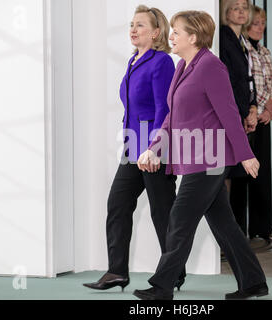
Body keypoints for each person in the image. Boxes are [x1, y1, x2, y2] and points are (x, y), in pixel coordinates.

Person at [133, 10, 268, 300]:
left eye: (177, 32)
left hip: (209, 159)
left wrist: (245, 154)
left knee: (180, 220)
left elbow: (229, 114)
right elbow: (171, 116)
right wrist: (154, 147)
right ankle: (254, 282)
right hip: (194, 158)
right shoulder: (183, 66)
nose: (172, 36)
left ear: (193, 37)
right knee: (224, 224)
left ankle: (162, 286)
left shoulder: (211, 67)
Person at [83, 5, 185, 292]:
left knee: (162, 212)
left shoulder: (162, 61)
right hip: (132, 149)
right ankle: (116, 272)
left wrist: (155, 148)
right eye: (131, 24)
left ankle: (173, 271)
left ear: (156, 32)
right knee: (117, 205)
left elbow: (164, 109)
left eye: (140, 25)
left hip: (154, 150)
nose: (133, 29)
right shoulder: (133, 62)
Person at [239, 5, 272, 242]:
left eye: (263, 23)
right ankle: (239, 231)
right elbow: (246, 85)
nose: (260, 28)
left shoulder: (265, 51)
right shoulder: (241, 48)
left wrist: (269, 109)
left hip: (263, 119)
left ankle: (262, 229)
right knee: (242, 175)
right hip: (247, 119)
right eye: (256, 23)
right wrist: (253, 111)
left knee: (262, 175)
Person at [219, 0, 259, 237]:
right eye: (235, 7)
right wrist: (242, 113)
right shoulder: (224, 39)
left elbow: (247, 79)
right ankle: (225, 235)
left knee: (234, 174)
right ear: (226, 12)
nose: (241, 11)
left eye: (244, 6)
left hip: (242, 112)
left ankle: (230, 235)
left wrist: (252, 108)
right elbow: (229, 83)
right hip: (230, 115)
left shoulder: (242, 41)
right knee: (224, 175)